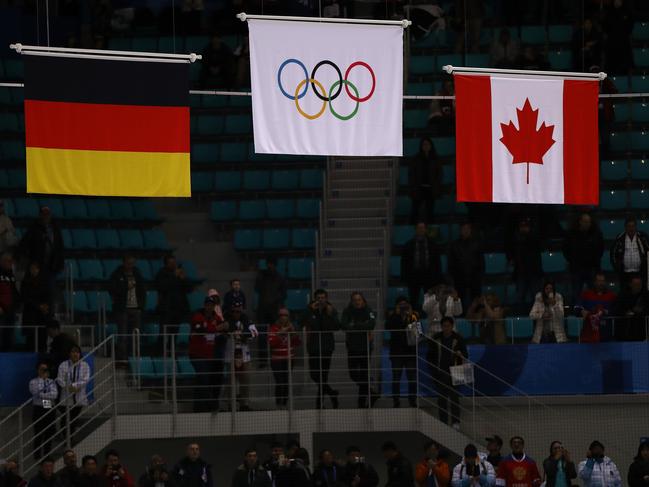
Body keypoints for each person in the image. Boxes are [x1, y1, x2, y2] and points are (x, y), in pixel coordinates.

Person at [302, 289, 340, 409]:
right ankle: (332, 393)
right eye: (318, 297)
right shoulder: (309, 309)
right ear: (315, 299)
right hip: (313, 347)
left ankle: (319, 404)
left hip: (326, 347)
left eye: (323, 297)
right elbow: (300, 322)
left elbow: (336, 326)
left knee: (323, 376)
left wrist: (329, 315)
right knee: (314, 375)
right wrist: (310, 310)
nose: (321, 300)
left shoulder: (331, 310)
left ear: (326, 298)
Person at [427, 317, 468, 428]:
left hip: (455, 373)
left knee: (454, 398)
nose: (446, 328)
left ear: (452, 326)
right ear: (441, 326)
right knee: (442, 399)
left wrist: (460, 354)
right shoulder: (436, 338)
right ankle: (443, 422)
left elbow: (465, 355)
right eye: (444, 326)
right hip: (440, 373)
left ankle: (455, 422)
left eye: (448, 326)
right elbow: (429, 356)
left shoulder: (458, 338)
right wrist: (434, 370)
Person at [189, 296, 227, 412]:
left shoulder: (216, 316)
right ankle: (205, 406)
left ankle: (202, 407)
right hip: (197, 354)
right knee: (203, 377)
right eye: (208, 304)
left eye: (212, 305)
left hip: (210, 355)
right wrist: (216, 328)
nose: (210, 307)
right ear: (205, 305)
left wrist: (221, 327)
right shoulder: (197, 316)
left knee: (208, 380)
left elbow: (224, 326)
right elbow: (200, 329)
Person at [340, 292, 378, 408]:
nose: (357, 302)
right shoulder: (347, 311)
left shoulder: (368, 310)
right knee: (353, 374)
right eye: (355, 300)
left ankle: (361, 403)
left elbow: (371, 324)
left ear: (363, 300)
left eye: (359, 299)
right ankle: (371, 393)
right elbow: (344, 325)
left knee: (364, 375)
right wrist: (362, 325)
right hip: (352, 347)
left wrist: (355, 325)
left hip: (366, 348)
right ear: (351, 301)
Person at [109, 255, 146, 361]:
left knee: (136, 336)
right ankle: (122, 358)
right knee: (123, 335)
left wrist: (141, 306)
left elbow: (142, 291)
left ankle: (135, 357)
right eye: (129, 263)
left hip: (136, 308)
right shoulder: (117, 274)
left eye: (132, 263)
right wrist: (126, 286)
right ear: (124, 262)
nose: (131, 266)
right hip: (122, 309)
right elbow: (113, 290)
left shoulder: (137, 274)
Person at [562, 213, 604, 304]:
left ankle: (594, 312)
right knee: (576, 293)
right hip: (577, 268)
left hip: (591, 268)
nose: (587, 223)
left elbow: (600, 249)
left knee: (593, 293)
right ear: (580, 222)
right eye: (585, 221)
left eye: (589, 222)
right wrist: (572, 261)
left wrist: (595, 262)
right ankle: (576, 313)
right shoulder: (571, 234)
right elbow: (565, 249)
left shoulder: (596, 234)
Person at [386, 296, 420, 408]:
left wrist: (410, 315)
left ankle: (412, 400)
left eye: (405, 305)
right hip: (396, 352)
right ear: (396, 306)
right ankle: (396, 401)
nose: (403, 307)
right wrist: (395, 314)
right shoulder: (393, 316)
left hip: (410, 352)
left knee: (412, 379)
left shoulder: (414, 315)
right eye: (400, 305)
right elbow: (388, 327)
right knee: (396, 378)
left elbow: (418, 331)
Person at [223, 301, 258, 411]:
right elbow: (221, 331)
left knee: (245, 380)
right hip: (230, 355)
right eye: (234, 311)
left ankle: (244, 404)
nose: (236, 313)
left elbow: (255, 333)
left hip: (244, 356)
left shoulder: (246, 319)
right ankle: (230, 404)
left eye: (238, 311)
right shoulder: (226, 318)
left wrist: (243, 335)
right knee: (230, 381)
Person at [506, 218, 543, 313]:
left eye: (526, 226)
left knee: (536, 297)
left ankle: (536, 318)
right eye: (522, 226)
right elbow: (510, 252)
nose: (524, 229)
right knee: (520, 297)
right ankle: (520, 318)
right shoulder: (515, 240)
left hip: (533, 272)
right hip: (521, 272)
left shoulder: (534, 238)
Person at [402, 223, 442, 310]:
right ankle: (413, 318)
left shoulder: (433, 244)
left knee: (430, 301)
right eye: (419, 228)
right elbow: (404, 263)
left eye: (422, 228)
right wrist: (406, 277)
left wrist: (438, 277)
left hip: (429, 276)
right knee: (413, 300)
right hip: (414, 276)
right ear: (416, 229)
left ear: (425, 229)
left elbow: (437, 262)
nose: (421, 230)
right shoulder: (408, 245)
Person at [19, 206, 64, 282]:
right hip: (37, 266)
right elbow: (24, 245)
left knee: (50, 288)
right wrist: (30, 263)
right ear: (40, 215)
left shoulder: (55, 229)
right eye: (44, 214)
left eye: (47, 214)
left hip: (52, 266)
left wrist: (59, 263)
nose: (46, 216)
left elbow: (59, 247)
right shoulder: (33, 229)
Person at [255, 257, 287, 363]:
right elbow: (257, 288)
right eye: (268, 263)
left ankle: (275, 357)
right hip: (263, 310)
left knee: (276, 333)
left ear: (275, 265)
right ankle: (263, 360)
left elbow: (283, 294)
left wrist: (277, 302)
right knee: (262, 335)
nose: (270, 266)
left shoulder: (280, 278)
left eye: (272, 264)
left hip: (274, 310)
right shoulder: (262, 276)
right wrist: (260, 276)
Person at [56, 345, 90, 438]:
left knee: (73, 419)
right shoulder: (63, 365)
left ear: (80, 354)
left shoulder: (85, 365)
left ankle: (70, 438)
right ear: (69, 353)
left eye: (77, 352)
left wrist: (75, 386)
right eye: (73, 352)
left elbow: (86, 379)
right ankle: (66, 438)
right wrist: (69, 387)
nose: (75, 354)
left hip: (79, 397)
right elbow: (59, 379)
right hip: (66, 397)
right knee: (65, 418)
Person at [268, 308, 300, 407]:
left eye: (285, 315)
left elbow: (297, 343)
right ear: (278, 317)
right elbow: (272, 343)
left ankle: (285, 403)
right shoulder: (273, 328)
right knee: (279, 381)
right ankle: (278, 403)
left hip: (289, 359)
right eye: (282, 315)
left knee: (286, 381)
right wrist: (281, 332)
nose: (283, 317)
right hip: (276, 359)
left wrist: (293, 333)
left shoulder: (291, 327)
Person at [448, 223, 484, 309]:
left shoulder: (477, 244)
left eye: (468, 228)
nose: (466, 231)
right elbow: (451, 263)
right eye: (464, 229)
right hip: (459, 278)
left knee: (476, 303)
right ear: (460, 231)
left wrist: (480, 276)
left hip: (474, 277)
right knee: (459, 303)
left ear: (470, 230)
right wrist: (452, 278)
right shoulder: (454, 245)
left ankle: (476, 320)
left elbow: (481, 262)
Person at [29, 361, 58, 460]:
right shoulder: (33, 382)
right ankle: (37, 455)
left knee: (49, 432)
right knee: (38, 432)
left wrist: (44, 395)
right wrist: (43, 380)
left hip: (48, 407)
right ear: (38, 370)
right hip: (39, 408)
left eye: (46, 369)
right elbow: (37, 393)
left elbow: (54, 395)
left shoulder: (51, 381)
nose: (44, 371)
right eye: (42, 369)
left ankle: (47, 454)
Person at [21, 261, 53, 352]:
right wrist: (38, 306)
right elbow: (25, 297)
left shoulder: (44, 282)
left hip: (42, 315)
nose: (33, 270)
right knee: (31, 340)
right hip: (30, 315)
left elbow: (49, 296)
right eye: (31, 268)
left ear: (39, 270)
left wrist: (46, 306)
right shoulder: (26, 282)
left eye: (35, 268)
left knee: (42, 339)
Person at [409, 138, 442, 224]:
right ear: (421, 146)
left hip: (431, 189)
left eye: (428, 144)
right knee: (415, 210)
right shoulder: (416, 159)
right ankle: (413, 227)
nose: (426, 146)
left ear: (431, 146)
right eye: (424, 144)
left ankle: (430, 229)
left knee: (430, 210)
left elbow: (439, 174)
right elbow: (412, 174)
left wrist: (436, 187)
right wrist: (413, 187)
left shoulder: (436, 159)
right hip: (418, 188)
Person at [577, 272, 616, 343]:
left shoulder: (611, 295)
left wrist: (607, 311)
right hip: (589, 334)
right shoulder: (586, 294)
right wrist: (582, 311)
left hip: (606, 333)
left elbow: (616, 310)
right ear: (595, 282)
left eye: (603, 281)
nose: (601, 283)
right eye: (599, 281)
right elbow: (577, 308)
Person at [610, 218, 649, 290]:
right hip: (625, 273)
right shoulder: (620, 238)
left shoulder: (642, 237)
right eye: (629, 226)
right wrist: (617, 267)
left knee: (641, 292)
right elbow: (613, 254)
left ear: (636, 227)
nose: (631, 228)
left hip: (640, 272)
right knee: (625, 293)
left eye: (633, 226)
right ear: (625, 227)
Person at [155, 255, 192, 328]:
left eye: (174, 262)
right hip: (166, 308)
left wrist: (183, 279)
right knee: (164, 331)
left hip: (178, 308)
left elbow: (189, 289)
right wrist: (174, 276)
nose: (173, 265)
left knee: (175, 330)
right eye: (171, 263)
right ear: (166, 264)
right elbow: (163, 287)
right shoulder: (162, 273)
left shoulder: (179, 274)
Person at [613, 274, 649, 341]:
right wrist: (625, 312)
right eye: (635, 284)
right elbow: (616, 309)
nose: (638, 286)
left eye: (639, 284)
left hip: (640, 332)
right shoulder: (622, 295)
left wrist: (642, 311)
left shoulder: (646, 295)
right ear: (630, 284)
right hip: (624, 331)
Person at [0, 251, 19, 351]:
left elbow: (14, 291)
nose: (10, 263)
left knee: (10, 334)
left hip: (10, 310)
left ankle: (9, 355)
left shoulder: (11, 274)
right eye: (8, 261)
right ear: (2, 261)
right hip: (1, 310)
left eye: (11, 261)